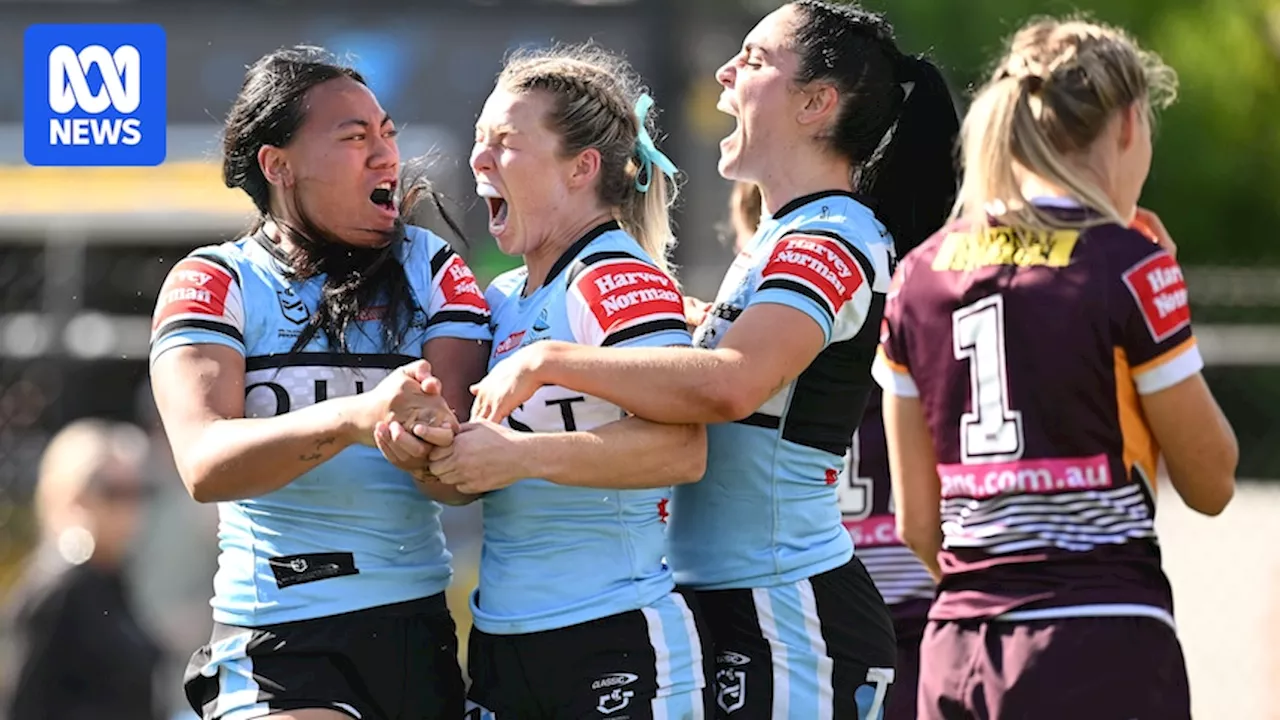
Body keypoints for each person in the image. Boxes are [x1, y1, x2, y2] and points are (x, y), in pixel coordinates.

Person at [467, 3, 961, 717]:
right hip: (729, 595)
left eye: (755, 60)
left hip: (788, 605)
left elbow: (732, 386)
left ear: (817, 104)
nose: (726, 71)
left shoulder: (829, 235)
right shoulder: (780, 236)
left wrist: (550, 359)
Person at [872, 17, 1237, 720]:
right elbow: (1213, 481)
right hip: (1099, 639)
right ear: (1129, 125)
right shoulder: (1126, 263)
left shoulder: (917, 277)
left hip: (960, 650)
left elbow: (919, 524)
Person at [147, 45, 492, 720]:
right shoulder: (215, 280)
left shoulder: (435, 270)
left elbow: (455, 482)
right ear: (279, 166)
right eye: (354, 138)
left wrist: (431, 443)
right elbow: (205, 464)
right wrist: (355, 418)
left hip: (413, 627)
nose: (386, 155)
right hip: (279, 632)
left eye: (387, 134)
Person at [376, 42, 714, 719]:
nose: (479, 160)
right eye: (478, 141)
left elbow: (683, 450)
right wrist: (419, 448)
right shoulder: (502, 296)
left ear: (580, 168)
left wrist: (520, 456)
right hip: (503, 638)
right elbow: (468, 474)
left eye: (505, 143)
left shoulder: (615, 277)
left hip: (610, 633)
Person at [0, 419, 164, 720]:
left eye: (138, 491)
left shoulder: (109, 579)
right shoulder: (57, 589)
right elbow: (20, 705)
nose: (130, 508)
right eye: (113, 491)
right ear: (70, 494)